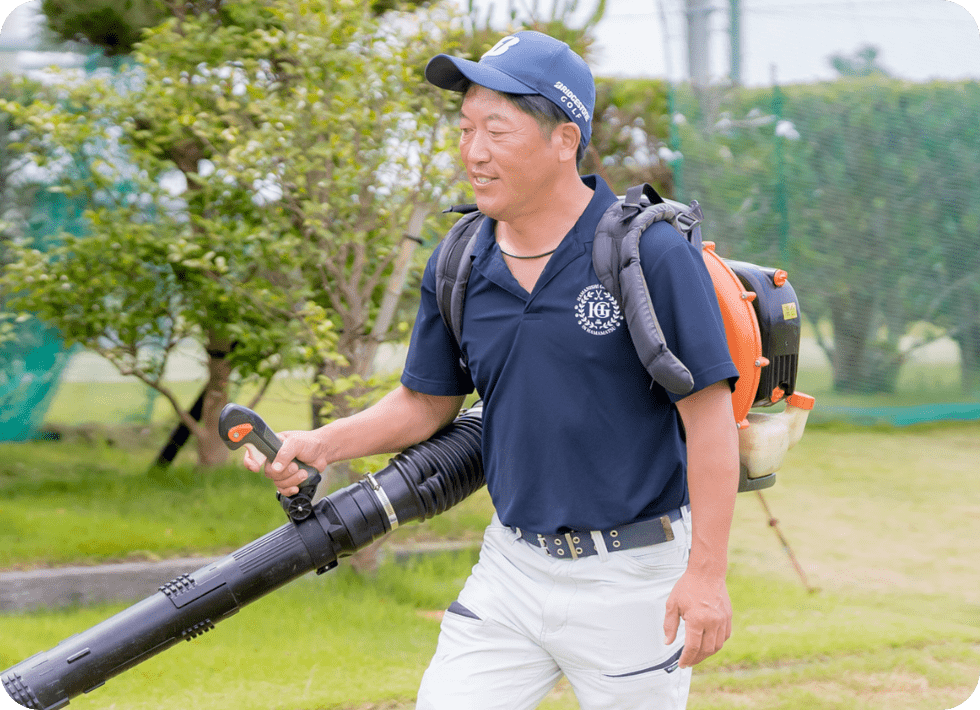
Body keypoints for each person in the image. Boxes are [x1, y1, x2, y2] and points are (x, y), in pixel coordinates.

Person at [244, 30, 740, 710]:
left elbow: (710, 421)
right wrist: (319, 445)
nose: (472, 152)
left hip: (633, 578)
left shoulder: (646, 252)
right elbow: (425, 404)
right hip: (512, 568)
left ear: (563, 140)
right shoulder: (460, 260)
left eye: (497, 131)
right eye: (465, 127)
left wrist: (706, 576)